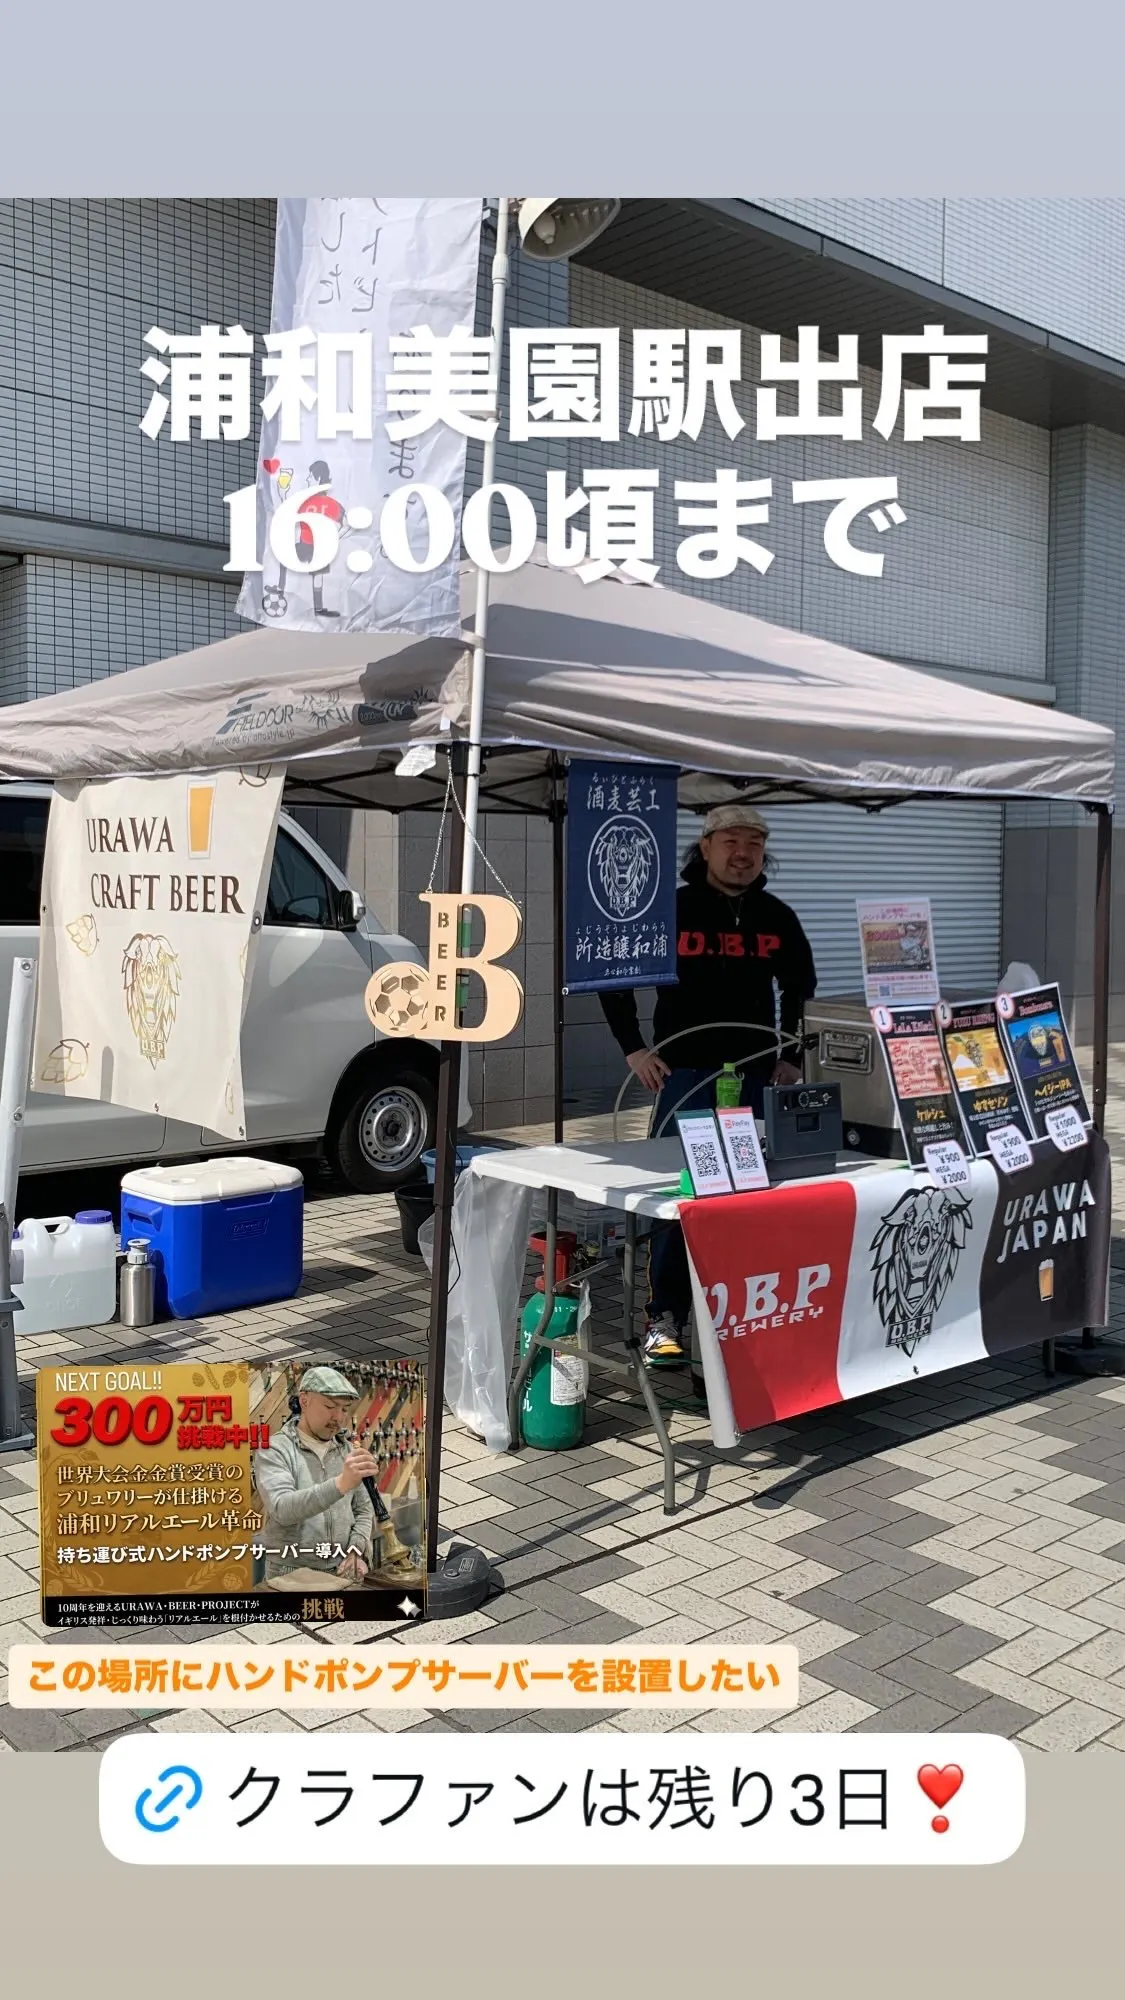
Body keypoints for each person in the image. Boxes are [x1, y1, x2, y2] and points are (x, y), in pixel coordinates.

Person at [599, 803, 817, 1378]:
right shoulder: (669, 909)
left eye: (754, 844)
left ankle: (738, 1313)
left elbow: (799, 990)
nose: (743, 854)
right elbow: (615, 978)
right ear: (705, 848)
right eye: (731, 842)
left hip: (753, 1079)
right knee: (680, 1198)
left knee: (751, 1195)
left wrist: (791, 1055)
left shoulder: (777, 917)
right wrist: (634, 1048)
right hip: (685, 1079)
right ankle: (665, 1318)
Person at [252, 1365, 377, 1584]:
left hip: (342, 1571)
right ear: (304, 1401)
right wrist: (340, 1484)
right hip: (290, 1574)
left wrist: (356, 1550)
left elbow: (363, 1509)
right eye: (330, 1406)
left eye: (345, 1409)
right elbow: (282, 1508)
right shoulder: (274, 1449)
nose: (338, 1417)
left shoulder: (347, 1449)